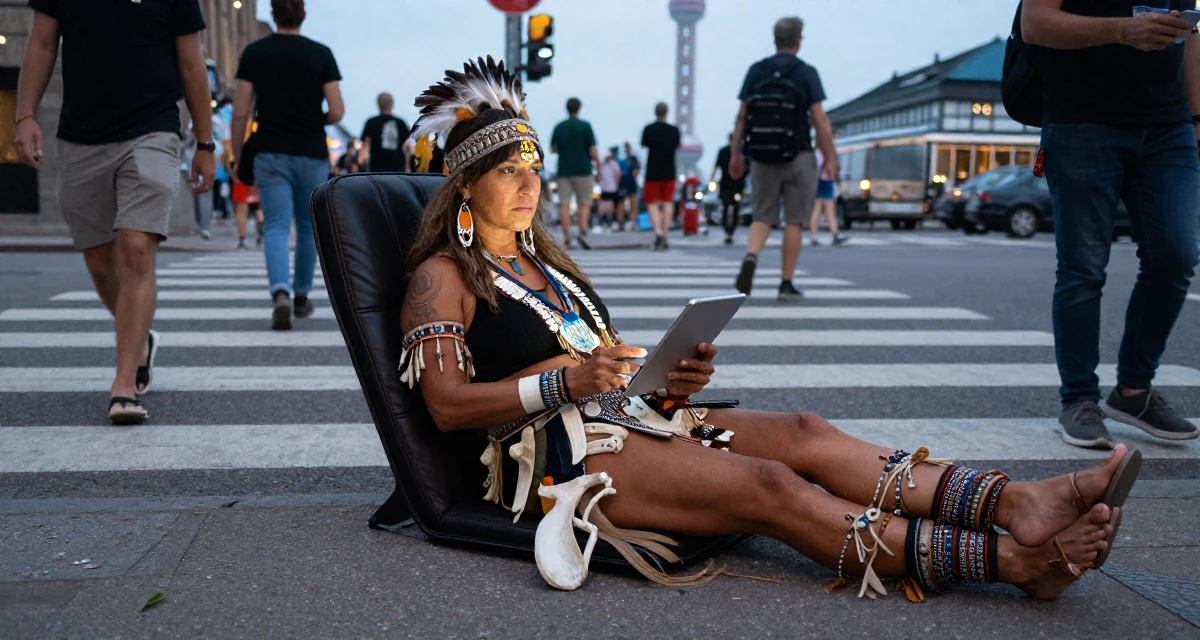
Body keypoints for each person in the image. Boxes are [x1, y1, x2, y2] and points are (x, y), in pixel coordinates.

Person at [398, 56, 1135, 598]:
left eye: (533, 165)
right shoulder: (442, 274)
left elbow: (594, 368)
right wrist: (568, 380)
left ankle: (1018, 503)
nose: (530, 183)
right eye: (507, 171)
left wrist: (665, 382)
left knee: (806, 431)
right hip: (557, 460)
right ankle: (1017, 563)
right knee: (770, 485)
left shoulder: (545, 264)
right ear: (464, 186)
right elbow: (447, 406)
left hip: (624, 420)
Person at [14, 0, 214, 425]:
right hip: (80, 136)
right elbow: (42, 44)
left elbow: (192, 63)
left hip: (153, 129)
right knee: (101, 263)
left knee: (136, 248)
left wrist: (207, 145)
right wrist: (25, 115)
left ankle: (124, 385)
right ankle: (141, 342)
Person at [1022, 1, 1200, 447]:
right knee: (1083, 268)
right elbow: (1035, 23)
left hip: (1168, 124)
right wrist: (1124, 30)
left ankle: (1133, 391)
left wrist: (1196, 119)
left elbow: (1192, 36)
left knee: (1176, 254)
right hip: (1081, 120)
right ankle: (1079, 398)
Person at [232, 0, 344, 331]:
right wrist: (314, 118)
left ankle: (279, 291)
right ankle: (300, 296)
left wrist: (239, 154)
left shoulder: (254, 53)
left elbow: (240, 111)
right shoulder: (321, 54)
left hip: (270, 151)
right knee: (308, 228)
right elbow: (337, 111)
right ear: (303, 15)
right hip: (311, 150)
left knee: (277, 225)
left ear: (273, 13)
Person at [729, 16, 838, 302]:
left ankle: (752, 255)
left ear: (775, 40)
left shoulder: (756, 71)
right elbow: (820, 120)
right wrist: (830, 157)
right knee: (794, 221)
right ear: (798, 42)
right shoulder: (806, 73)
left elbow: (742, 117)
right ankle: (786, 282)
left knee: (762, 215)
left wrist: (736, 154)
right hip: (798, 155)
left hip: (762, 157)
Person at [550, 98, 599, 249]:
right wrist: (598, 166)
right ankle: (582, 231)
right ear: (579, 109)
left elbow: (553, 148)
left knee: (564, 203)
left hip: (564, 170)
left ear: (567, 108)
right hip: (584, 170)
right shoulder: (586, 126)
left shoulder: (559, 127)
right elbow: (592, 151)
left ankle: (567, 238)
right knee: (584, 202)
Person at [641, 102, 681, 250]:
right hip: (669, 170)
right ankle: (665, 233)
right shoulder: (674, 130)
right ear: (667, 112)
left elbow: (644, 145)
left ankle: (657, 230)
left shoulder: (648, 129)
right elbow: (677, 145)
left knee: (651, 203)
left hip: (652, 170)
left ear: (655, 112)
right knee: (667, 202)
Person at [710, 134, 746, 245]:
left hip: (725, 184)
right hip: (737, 185)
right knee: (735, 207)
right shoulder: (741, 152)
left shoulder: (724, 151)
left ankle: (727, 230)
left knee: (726, 207)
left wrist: (712, 179)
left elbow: (716, 167)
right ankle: (731, 230)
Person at [361, 92, 410, 173]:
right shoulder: (400, 123)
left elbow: (366, 145)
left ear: (378, 105)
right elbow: (407, 146)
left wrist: (361, 160)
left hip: (377, 168)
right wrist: (408, 165)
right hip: (398, 168)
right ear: (392, 104)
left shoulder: (371, 122)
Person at [809, 147, 846, 246]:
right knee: (829, 213)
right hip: (827, 182)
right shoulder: (829, 153)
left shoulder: (817, 153)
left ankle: (812, 237)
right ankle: (835, 235)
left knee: (816, 212)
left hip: (819, 183)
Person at [597, 148, 623, 230]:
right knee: (603, 205)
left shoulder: (613, 164)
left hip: (612, 189)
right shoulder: (602, 165)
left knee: (612, 205)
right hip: (604, 189)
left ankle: (613, 221)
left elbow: (618, 175)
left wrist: (617, 185)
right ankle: (604, 221)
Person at [618, 141, 642, 230]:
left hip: (627, 181)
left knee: (631, 201)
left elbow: (637, 170)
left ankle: (631, 221)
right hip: (625, 181)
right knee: (623, 202)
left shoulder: (630, 158)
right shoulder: (622, 158)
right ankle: (623, 221)